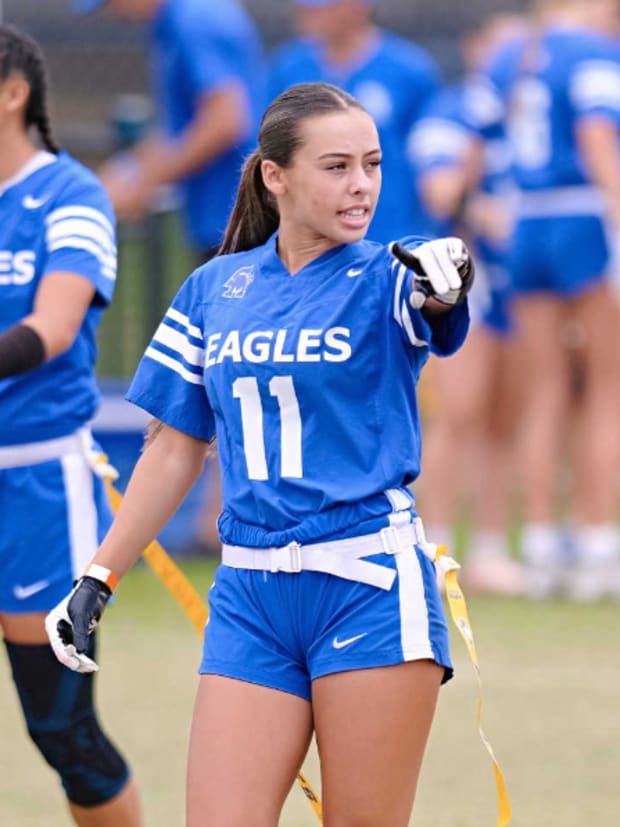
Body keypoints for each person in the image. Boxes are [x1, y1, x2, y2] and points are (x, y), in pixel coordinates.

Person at [46, 82, 473, 826]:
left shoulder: (387, 277)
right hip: (250, 595)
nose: (361, 184)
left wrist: (449, 283)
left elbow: (436, 301)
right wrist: (98, 576)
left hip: (367, 584)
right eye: (336, 165)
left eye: (371, 164)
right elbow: (175, 449)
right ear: (275, 176)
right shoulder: (215, 287)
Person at [0, 24, 142, 827]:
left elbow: (52, 329)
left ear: (14, 91)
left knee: (62, 730)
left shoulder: (70, 196)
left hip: (38, 485)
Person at [73, 0, 266, 555]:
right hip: (221, 218)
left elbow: (226, 118)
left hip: (239, 219)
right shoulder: (182, 22)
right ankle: (217, 516)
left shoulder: (196, 19)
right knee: (224, 370)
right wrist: (128, 176)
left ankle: (228, 517)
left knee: (236, 369)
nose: (114, 15)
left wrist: (147, 176)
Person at [481, 0, 620, 599]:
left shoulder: (515, 54)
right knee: (607, 384)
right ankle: (596, 547)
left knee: (546, 386)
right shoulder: (591, 51)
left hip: (524, 221)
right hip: (580, 215)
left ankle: (539, 545)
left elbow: (480, 139)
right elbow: (595, 133)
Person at [408, 14, 529, 594]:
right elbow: (442, 191)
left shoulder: (531, 117)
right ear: (476, 47)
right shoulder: (452, 113)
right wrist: (488, 214)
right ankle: (430, 544)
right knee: (458, 413)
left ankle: (488, 545)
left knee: (505, 417)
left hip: (520, 283)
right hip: (468, 278)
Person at [268, 0, 442, 243]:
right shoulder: (288, 68)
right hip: (313, 240)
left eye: (321, 8)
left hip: (390, 236)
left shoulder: (409, 70)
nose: (308, 15)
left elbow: (431, 155)